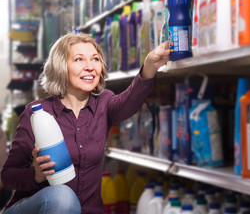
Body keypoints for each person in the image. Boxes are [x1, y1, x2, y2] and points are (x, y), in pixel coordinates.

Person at [1, 33, 170, 214]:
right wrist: (35, 175)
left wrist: (150, 66)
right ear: (61, 67)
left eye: (95, 59)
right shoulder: (37, 113)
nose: (90, 67)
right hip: (34, 208)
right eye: (79, 59)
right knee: (62, 197)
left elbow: (129, 101)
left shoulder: (104, 103)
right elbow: (8, 175)